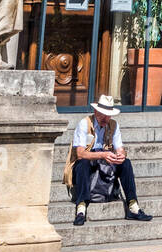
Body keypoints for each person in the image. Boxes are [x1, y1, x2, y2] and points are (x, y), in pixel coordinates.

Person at [66, 94, 153, 228]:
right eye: (103, 115)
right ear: (96, 112)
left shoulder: (113, 125)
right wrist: (102, 155)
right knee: (83, 163)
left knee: (126, 163)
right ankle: (81, 207)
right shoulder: (84, 123)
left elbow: (120, 148)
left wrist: (121, 155)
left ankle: (133, 205)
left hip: (104, 161)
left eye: (108, 115)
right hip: (87, 161)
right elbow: (80, 154)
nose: (106, 118)